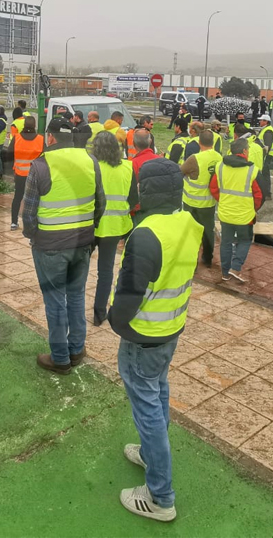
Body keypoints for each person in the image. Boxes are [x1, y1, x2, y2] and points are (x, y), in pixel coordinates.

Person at [108, 158, 200, 523]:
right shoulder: (187, 222)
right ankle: (150, 452)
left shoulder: (146, 234)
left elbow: (130, 294)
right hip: (171, 326)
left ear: (144, 191)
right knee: (157, 390)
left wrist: (115, 319)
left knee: (146, 406)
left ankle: (161, 497)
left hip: (144, 334)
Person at [23, 119, 105, 374]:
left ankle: (60, 358)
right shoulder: (90, 161)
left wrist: (32, 235)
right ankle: (76, 349)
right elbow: (100, 203)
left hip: (50, 246)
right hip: (82, 243)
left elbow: (28, 213)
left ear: (50, 138)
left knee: (55, 301)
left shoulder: (40, 165)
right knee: (77, 296)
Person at [92, 131, 138, 326]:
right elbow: (134, 199)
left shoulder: (92, 167)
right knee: (106, 271)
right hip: (115, 227)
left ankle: (73, 308)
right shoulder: (128, 167)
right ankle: (99, 312)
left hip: (91, 226)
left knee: (79, 268)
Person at [210, 138, 263, 283]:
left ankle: (225, 273)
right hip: (245, 215)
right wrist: (254, 208)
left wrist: (224, 201)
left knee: (226, 242)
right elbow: (259, 195)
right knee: (244, 241)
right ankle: (236, 267)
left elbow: (214, 188)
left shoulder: (220, 166)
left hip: (226, 213)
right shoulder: (252, 170)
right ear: (245, 151)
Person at [180, 130, 223, 267]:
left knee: (190, 232)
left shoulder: (194, 158)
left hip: (191, 202)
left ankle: (191, 260)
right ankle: (207, 258)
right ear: (213, 142)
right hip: (209, 203)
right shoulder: (219, 157)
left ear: (199, 142)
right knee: (208, 231)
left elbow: (180, 172)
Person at [7, 115, 43, 231]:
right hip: (36, 175)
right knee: (36, 199)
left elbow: (9, 153)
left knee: (17, 197)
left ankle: (14, 222)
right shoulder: (40, 139)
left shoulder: (16, 138)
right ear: (35, 126)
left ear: (24, 125)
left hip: (20, 174)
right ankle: (35, 222)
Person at [255, 114, 273, 200]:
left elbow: (267, 146)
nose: (260, 121)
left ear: (266, 121)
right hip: (265, 155)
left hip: (266, 156)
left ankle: (267, 193)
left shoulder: (268, 131)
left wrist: (263, 155)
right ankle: (265, 192)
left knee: (265, 173)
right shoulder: (265, 129)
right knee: (264, 173)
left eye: (261, 120)